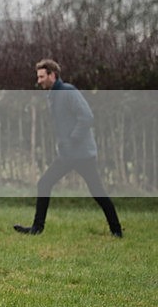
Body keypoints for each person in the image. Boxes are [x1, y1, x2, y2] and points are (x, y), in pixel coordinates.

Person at [14, 59, 122, 237]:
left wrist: (72, 139)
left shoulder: (68, 92)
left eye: (42, 77)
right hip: (68, 154)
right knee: (46, 183)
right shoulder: (53, 95)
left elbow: (87, 117)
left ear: (52, 75)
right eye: (38, 77)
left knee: (96, 191)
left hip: (81, 154)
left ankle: (116, 230)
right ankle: (37, 228)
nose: (38, 80)